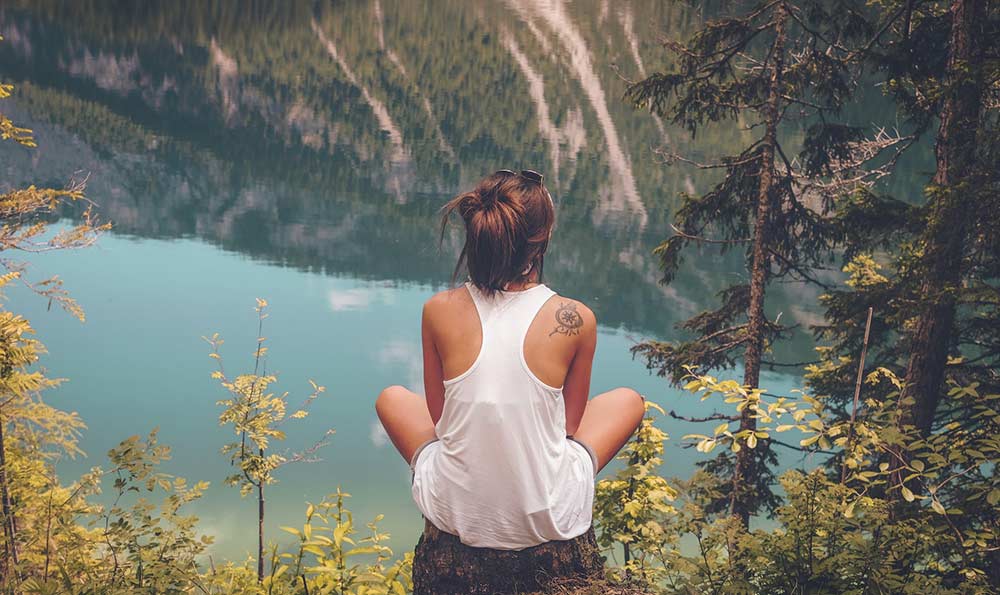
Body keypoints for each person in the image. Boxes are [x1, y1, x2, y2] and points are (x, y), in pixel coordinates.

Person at [375, 169, 645, 550]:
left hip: (455, 510)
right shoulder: (576, 318)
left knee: (391, 398)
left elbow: (440, 420)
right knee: (628, 401)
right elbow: (568, 428)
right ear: (539, 245)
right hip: (548, 513)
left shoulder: (438, 309)